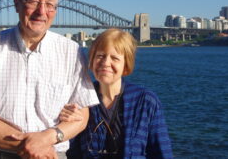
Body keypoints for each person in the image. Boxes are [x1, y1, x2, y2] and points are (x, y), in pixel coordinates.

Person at [0, 0, 99, 159]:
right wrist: (31, 146)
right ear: (17, 3)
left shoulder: (72, 52)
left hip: (52, 154)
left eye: (50, 5)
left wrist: (48, 138)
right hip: (0, 154)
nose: (42, 11)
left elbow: (82, 115)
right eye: (34, 2)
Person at [60, 29, 173, 158]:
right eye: (100, 56)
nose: (105, 63)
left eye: (114, 58)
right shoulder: (79, 101)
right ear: (91, 60)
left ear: (126, 65)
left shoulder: (145, 101)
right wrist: (67, 123)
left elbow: (161, 152)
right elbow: (71, 152)